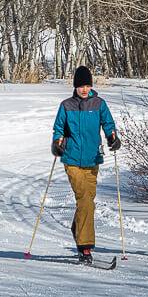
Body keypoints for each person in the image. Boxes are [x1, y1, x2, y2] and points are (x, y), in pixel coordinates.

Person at [51, 65, 121, 264]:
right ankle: (85, 247)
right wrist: (57, 143)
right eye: (81, 85)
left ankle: (78, 228)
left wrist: (112, 137)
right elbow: (58, 128)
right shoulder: (66, 105)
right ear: (75, 86)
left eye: (87, 85)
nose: (84, 89)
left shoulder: (99, 104)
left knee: (88, 200)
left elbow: (108, 124)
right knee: (84, 199)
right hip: (72, 159)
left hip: (92, 160)